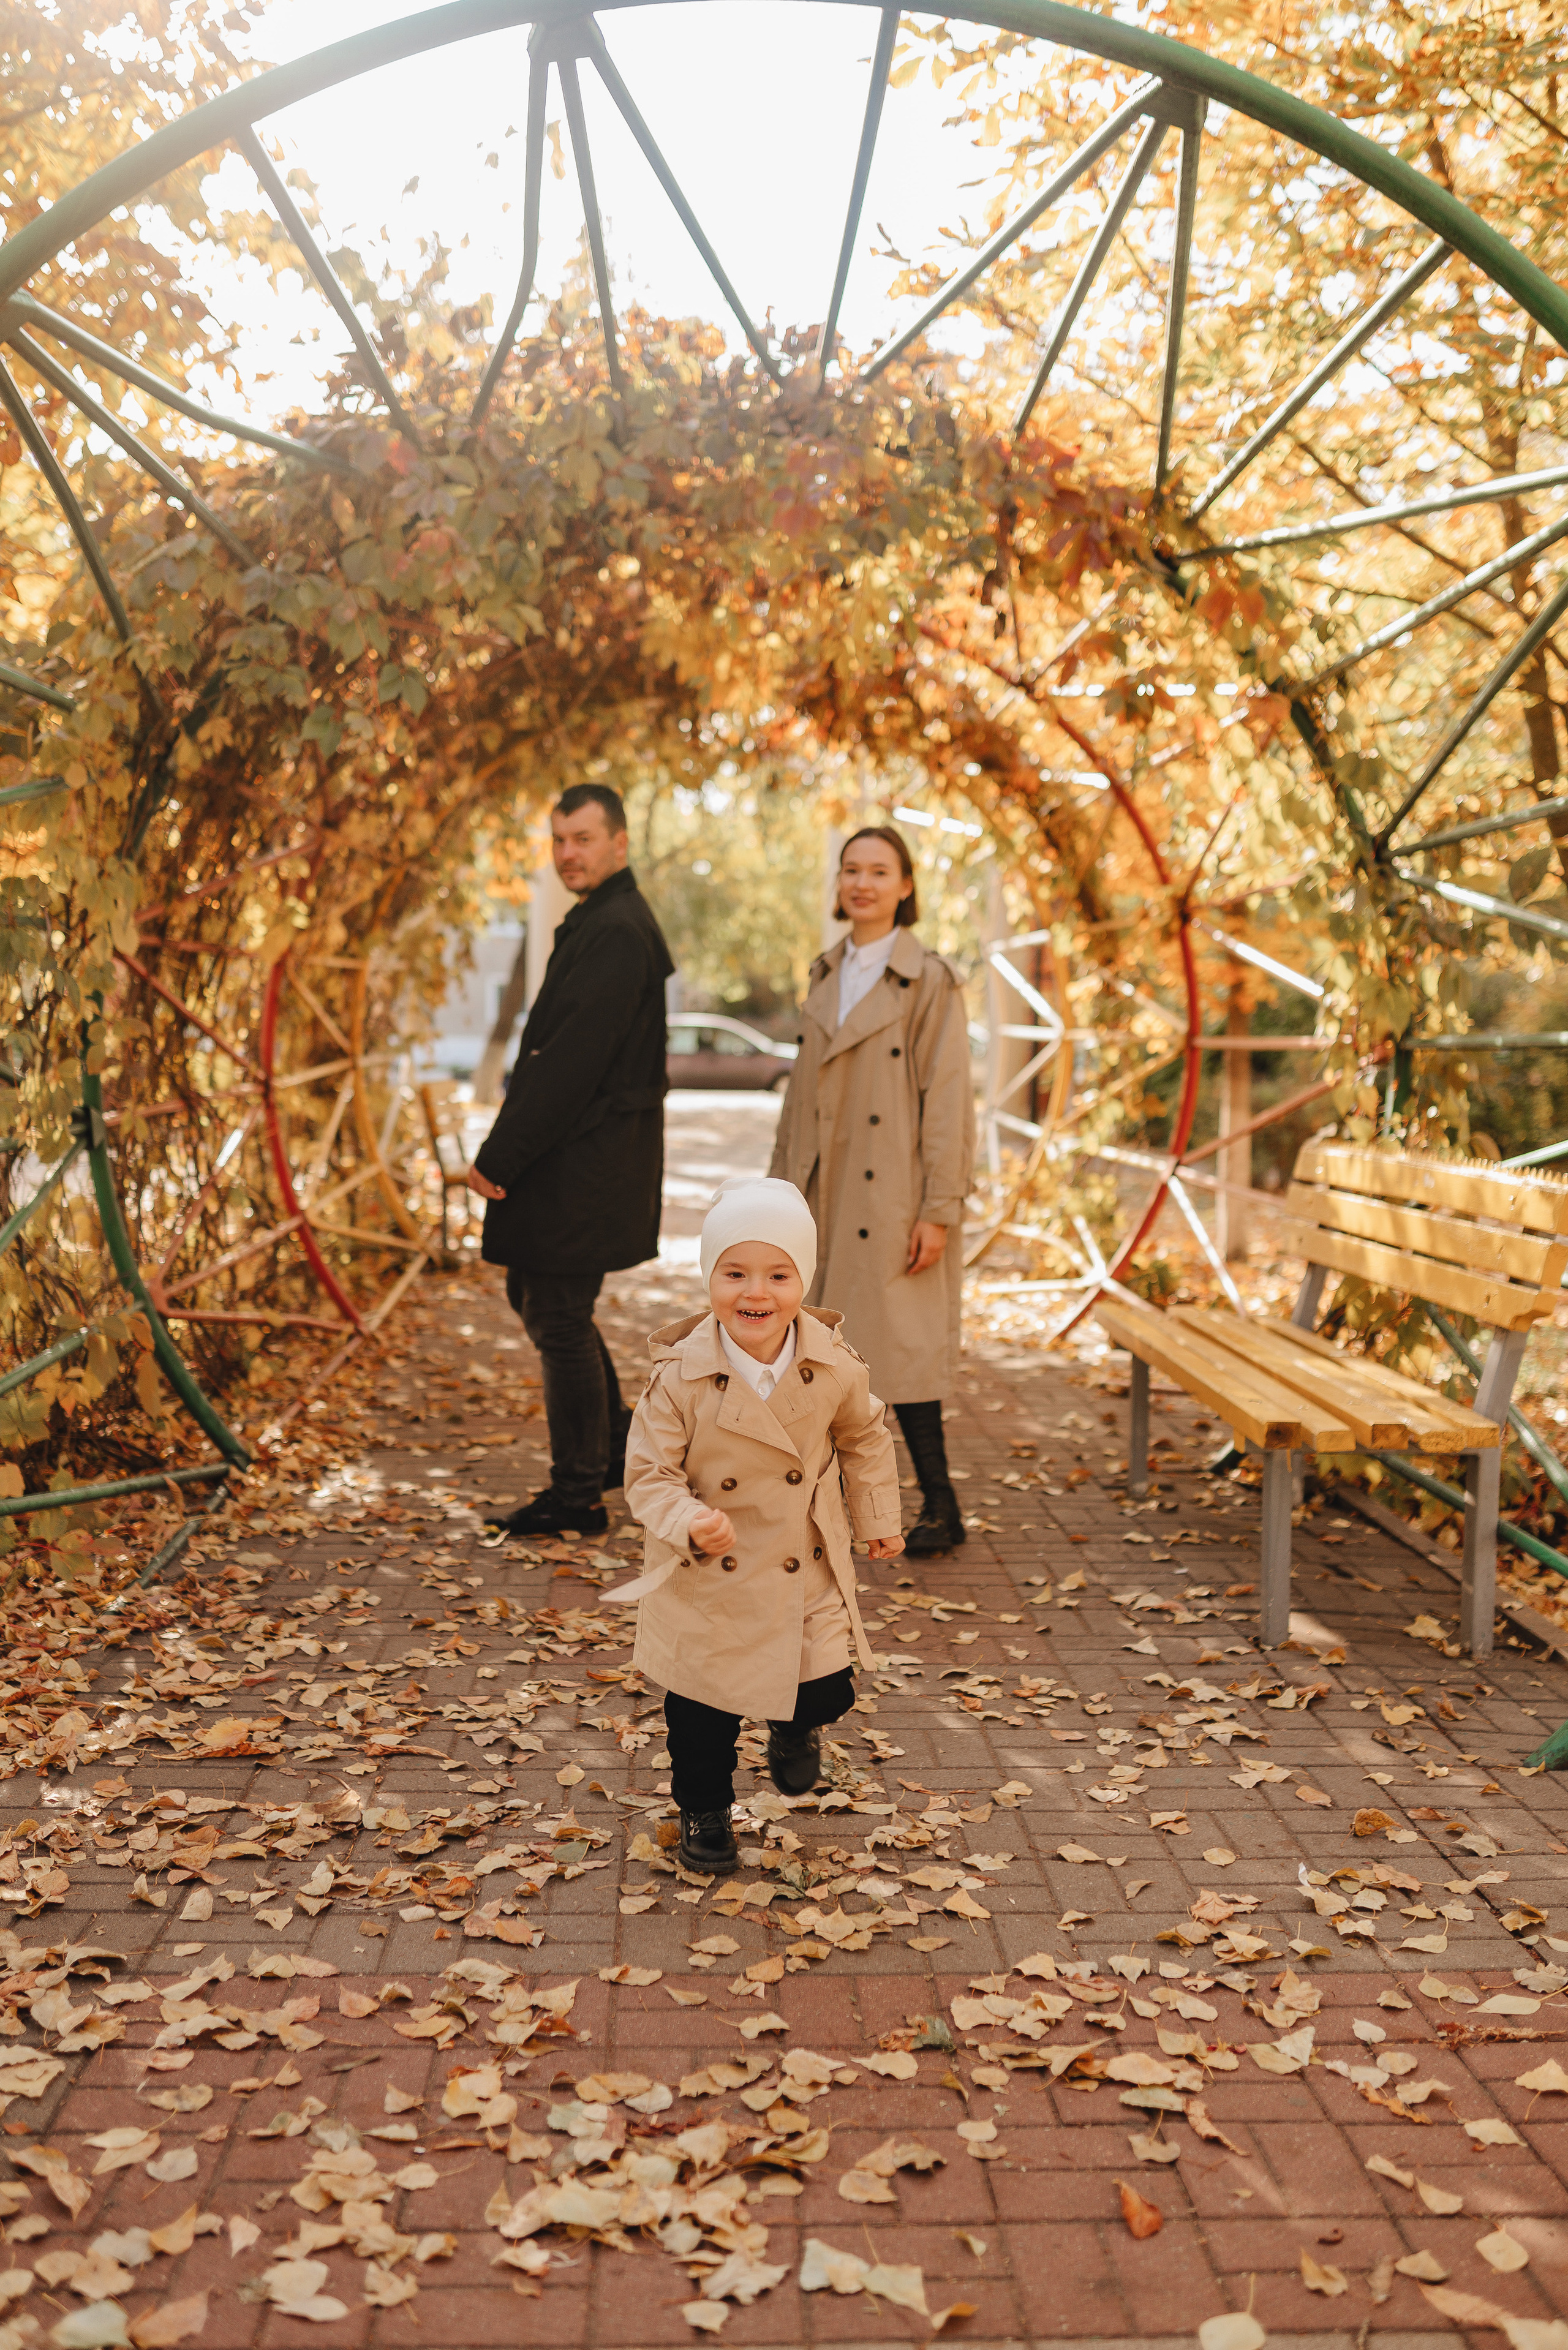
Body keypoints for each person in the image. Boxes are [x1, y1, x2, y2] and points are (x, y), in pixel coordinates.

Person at [612, 1176, 903, 1875]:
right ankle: (704, 1812)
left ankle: (796, 1724)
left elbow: (865, 1438)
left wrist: (877, 1518)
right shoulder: (680, 1376)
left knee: (829, 1687)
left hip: (801, 1561)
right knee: (700, 1717)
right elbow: (649, 1473)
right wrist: (688, 1520)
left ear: (801, 1280)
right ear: (709, 1278)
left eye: (778, 1274)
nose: (756, 1293)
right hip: (707, 1571)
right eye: (734, 1272)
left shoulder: (833, 1364)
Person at [466, 783, 673, 1538]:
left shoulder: (617, 931)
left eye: (583, 839)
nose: (568, 855)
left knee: (556, 1311)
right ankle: (611, 1443)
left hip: (586, 1159)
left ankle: (579, 1489)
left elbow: (570, 1063)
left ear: (619, 844)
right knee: (543, 1300)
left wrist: (500, 1156)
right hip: (579, 1154)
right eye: (559, 840)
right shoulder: (598, 922)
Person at [769, 824, 974, 1557]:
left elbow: (947, 1100)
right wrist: (776, 1195)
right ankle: (820, 1504)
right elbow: (797, 1100)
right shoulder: (826, 972)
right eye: (851, 869)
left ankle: (941, 1505)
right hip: (820, 1191)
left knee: (901, 1354)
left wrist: (939, 1209)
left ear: (905, 885)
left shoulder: (929, 981)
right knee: (813, 1349)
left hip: (891, 1193)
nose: (862, 883)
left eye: (878, 871)